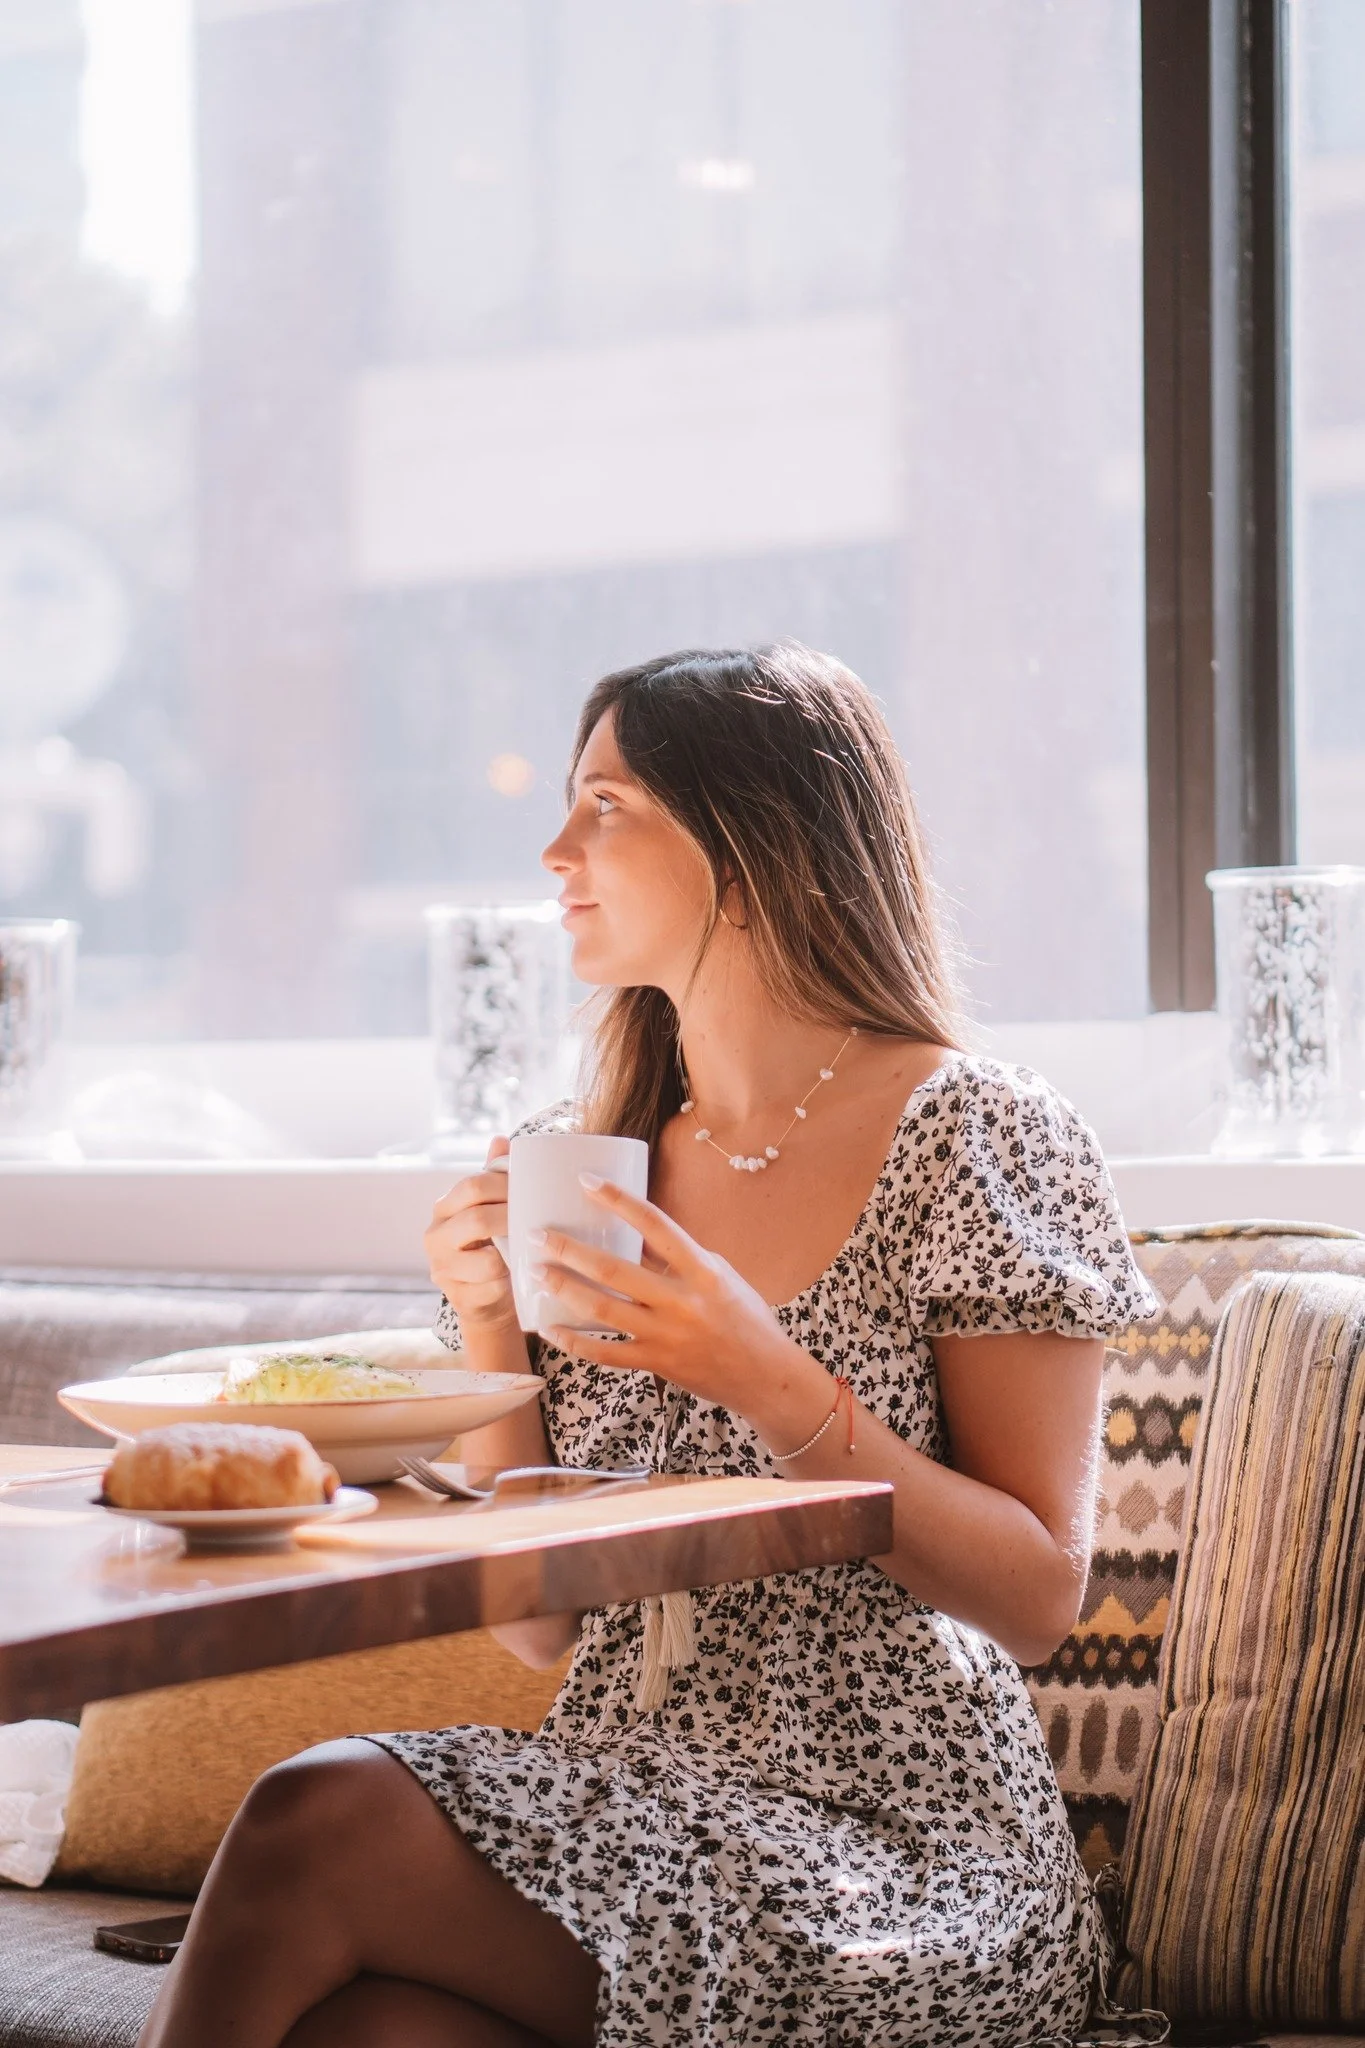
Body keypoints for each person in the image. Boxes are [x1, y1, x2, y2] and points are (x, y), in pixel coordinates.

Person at [139, 644, 1168, 2048]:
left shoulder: (975, 1132)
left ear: (752, 847)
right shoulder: (590, 1162)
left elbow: (1039, 1595)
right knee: (364, 2031)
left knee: (315, 1813)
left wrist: (763, 1373)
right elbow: (536, 1623)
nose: (556, 848)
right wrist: (490, 1322)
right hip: (628, 1808)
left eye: (605, 806)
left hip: (903, 1855)